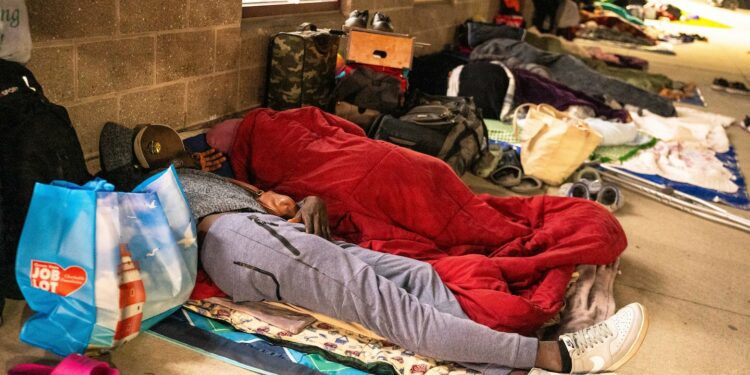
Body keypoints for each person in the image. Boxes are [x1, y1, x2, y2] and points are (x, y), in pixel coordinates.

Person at [98, 122, 649, 375]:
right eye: (161, 146)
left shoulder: (209, 179)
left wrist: (298, 199)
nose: (186, 150)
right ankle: (555, 357)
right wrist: (187, 169)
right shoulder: (155, 187)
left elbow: (283, 200)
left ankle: (489, 359)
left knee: (413, 277)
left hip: (265, 237)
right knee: (380, 302)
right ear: (142, 164)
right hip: (242, 245)